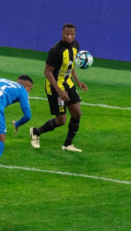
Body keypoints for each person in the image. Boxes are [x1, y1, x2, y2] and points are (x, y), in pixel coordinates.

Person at [30, 24, 88, 152]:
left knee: (77, 113)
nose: (69, 36)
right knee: (61, 120)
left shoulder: (76, 46)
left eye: (72, 34)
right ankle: (36, 132)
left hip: (69, 83)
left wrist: (78, 82)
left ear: (75, 35)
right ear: (62, 33)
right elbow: (47, 72)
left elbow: (70, 66)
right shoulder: (55, 50)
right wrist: (59, 90)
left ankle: (67, 145)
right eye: (67, 34)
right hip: (54, 87)